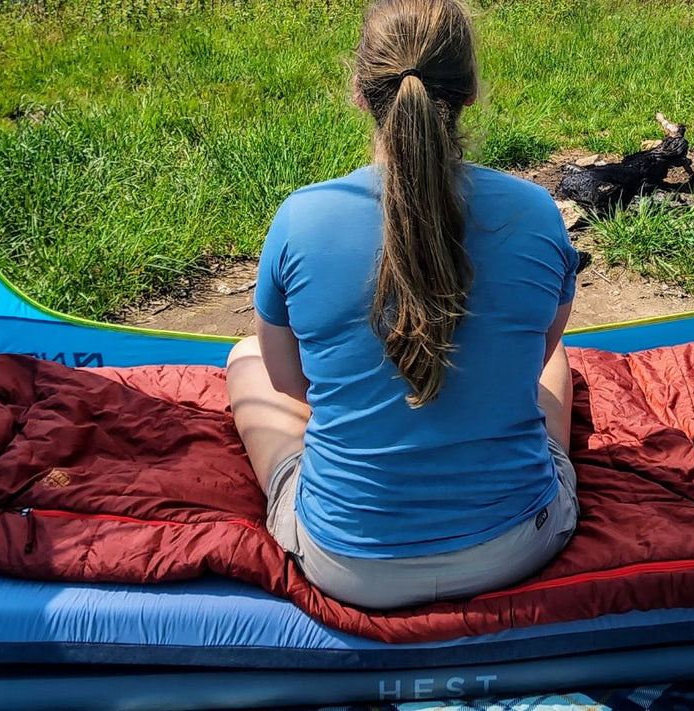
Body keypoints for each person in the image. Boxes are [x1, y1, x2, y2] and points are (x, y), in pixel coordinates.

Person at [224, 0, 580, 610]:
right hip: (519, 545)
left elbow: (289, 382)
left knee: (244, 358)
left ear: (362, 93)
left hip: (350, 564)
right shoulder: (536, 212)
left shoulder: (301, 216)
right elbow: (533, 358)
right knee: (554, 359)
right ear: (469, 93)